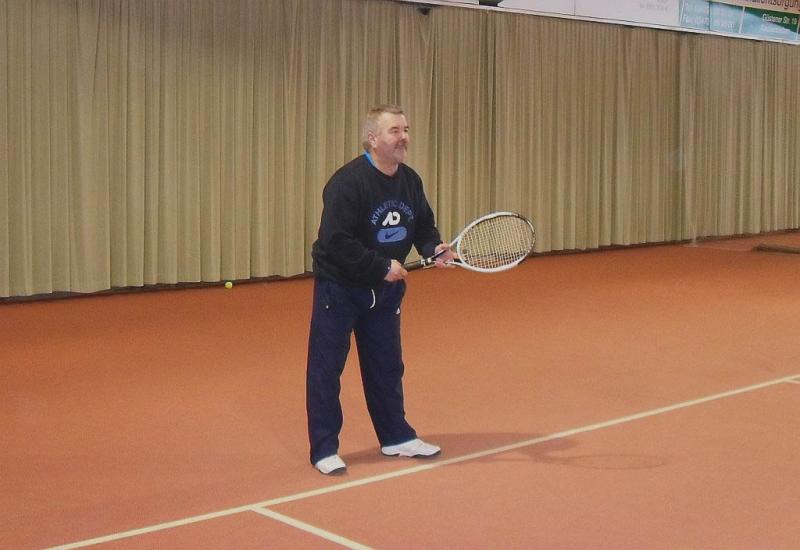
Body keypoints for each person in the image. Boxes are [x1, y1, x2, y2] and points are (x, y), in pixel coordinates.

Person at [306, 104, 455, 475]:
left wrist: (434, 247)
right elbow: (335, 241)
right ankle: (324, 449)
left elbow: (423, 225)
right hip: (340, 289)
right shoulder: (347, 183)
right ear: (372, 139)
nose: (404, 137)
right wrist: (379, 266)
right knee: (327, 370)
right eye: (394, 131)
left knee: (387, 366)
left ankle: (396, 437)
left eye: (406, 130)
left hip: (386, 293)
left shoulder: (410, 181)